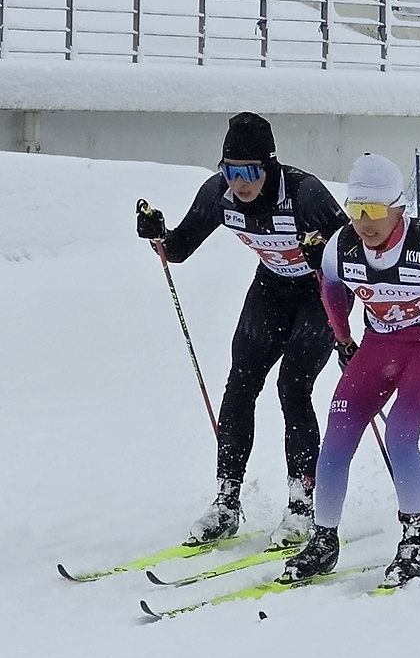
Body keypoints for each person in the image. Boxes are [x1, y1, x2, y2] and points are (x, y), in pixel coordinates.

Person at [283, 152, 420, 587]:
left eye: (375, 210)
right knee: (338, 434)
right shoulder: (341, 246)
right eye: (356, 208)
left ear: (398, 208)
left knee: (401, 436)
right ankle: (324, 540)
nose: (365, 222)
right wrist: (343, 338)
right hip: (379, 345)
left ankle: (414, 543)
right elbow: (330, 286)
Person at [136, 112, 347, 548]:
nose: (239, 183)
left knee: (293, 386)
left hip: (319, 294)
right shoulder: (219, 195)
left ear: (269, 165)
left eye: (249, 172)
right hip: (271, 289)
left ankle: (302, 506)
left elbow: (356, 252)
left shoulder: (304, 193)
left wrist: (324, 255)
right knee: (240, 385)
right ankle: (227, 502)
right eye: (229, 171)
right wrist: (157, 235)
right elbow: (178, 248)